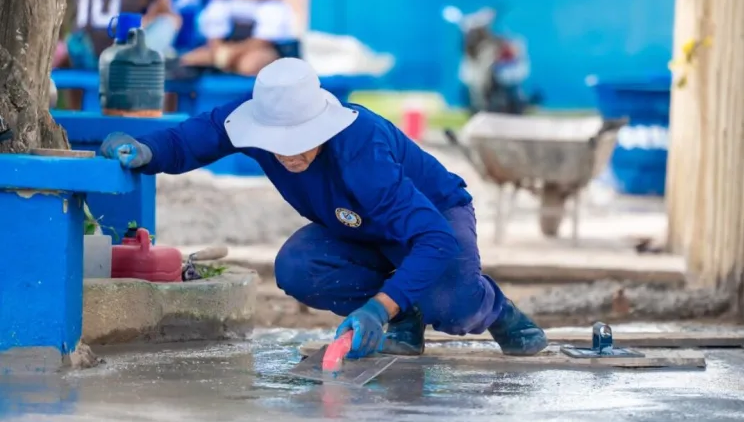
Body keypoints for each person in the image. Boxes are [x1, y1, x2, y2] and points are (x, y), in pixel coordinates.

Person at [97, 58, 549, 360]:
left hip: (431, 220)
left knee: (450, 303)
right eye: (278, 146)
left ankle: (496, 308)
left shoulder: (362, 153)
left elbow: (433, 239)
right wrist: (143, 150)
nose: (289, 156)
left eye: (300, 143)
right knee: (297, 266)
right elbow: (186, 141)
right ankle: (403, 316)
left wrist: (376, 308)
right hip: (357, 228)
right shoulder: (254, 118)